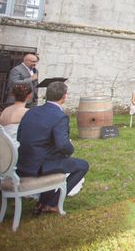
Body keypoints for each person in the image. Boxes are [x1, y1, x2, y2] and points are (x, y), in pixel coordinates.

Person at [17, 82, 89, 215]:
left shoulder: (31, 111)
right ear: (64, 97)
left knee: (58, 161)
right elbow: (63, 145)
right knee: (83, 165)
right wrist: (70, 149)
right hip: (39, 166)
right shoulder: (60, 116)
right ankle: (52, 203)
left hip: (22, 162)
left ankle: (42, 203)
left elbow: (19, 136)